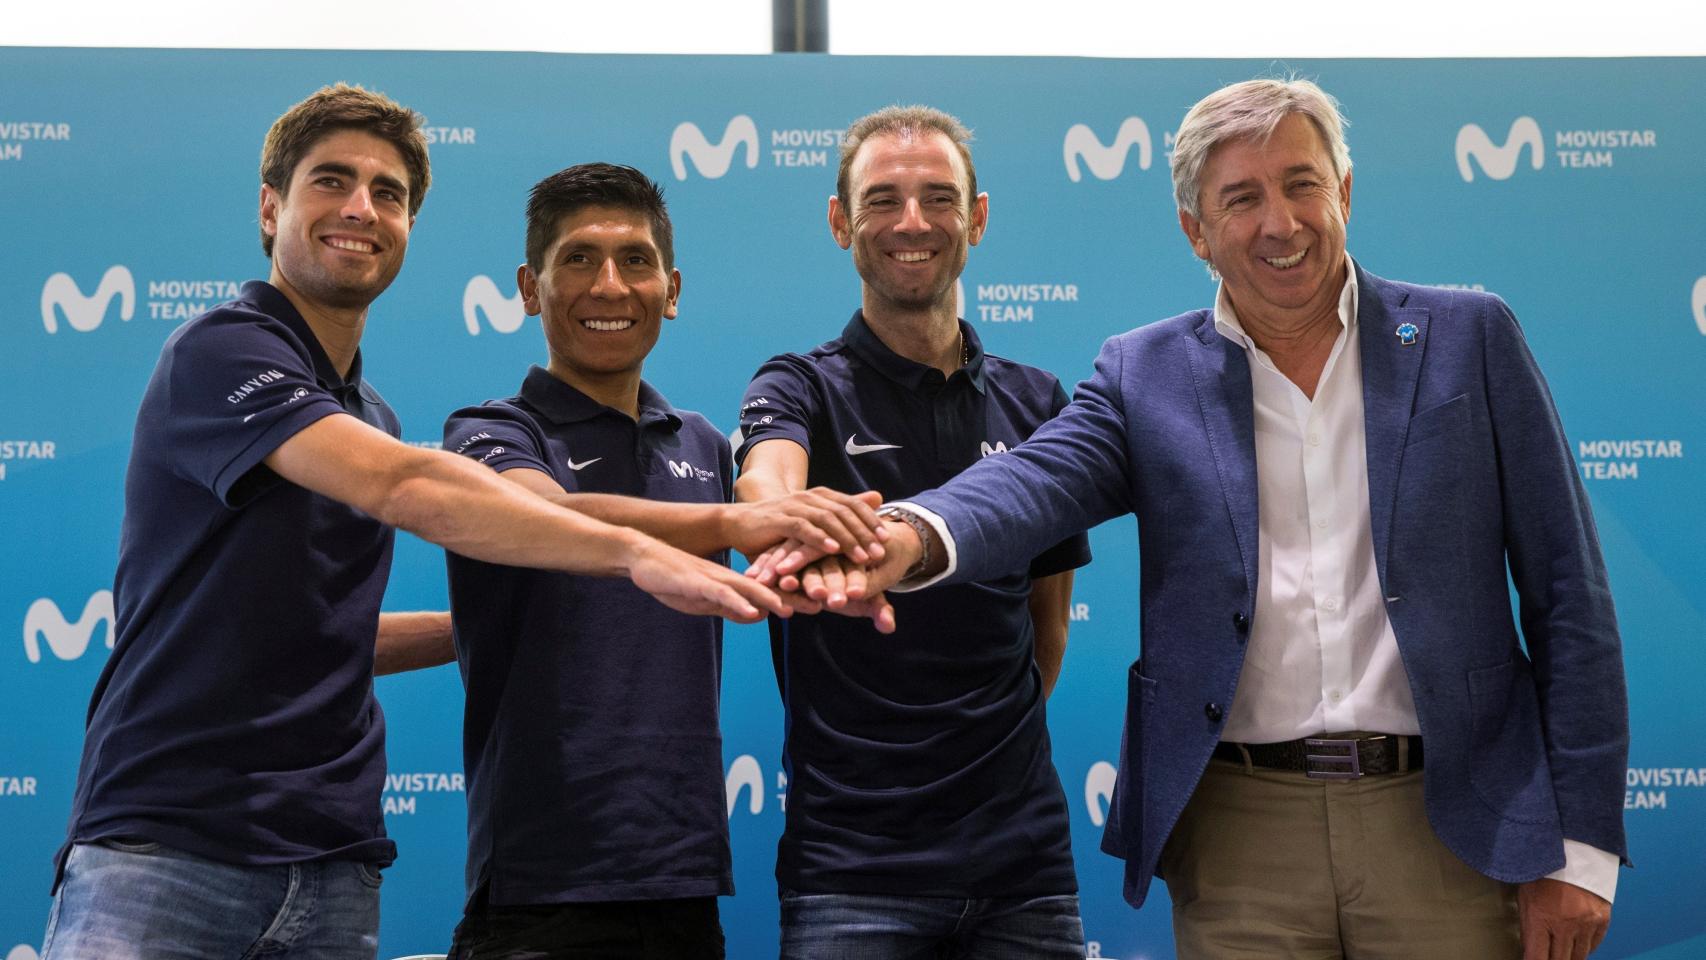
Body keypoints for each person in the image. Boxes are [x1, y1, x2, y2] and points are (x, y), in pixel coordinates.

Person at [835, 78, 1630, 959]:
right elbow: (1032, 481)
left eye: (1300, 184)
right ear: (1196, 232)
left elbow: (1571, 597)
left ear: (1346, 192)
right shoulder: (1144, 373)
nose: (1279, 224)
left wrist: (1585, 848)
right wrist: (903, 536)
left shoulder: (1469, 337)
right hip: (1240, 834)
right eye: (1240, 199)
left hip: (1451, 817)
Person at [42, 85, 804, 960]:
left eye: (389, 193)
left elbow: (328, 638)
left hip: (334, 860)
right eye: (332, 181)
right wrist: (636, 550)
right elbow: (405, 486)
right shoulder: (224, 350)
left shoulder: (369, 409)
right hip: (170, 851)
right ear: (270, 208)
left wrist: (481, 623)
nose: (362, 208)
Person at [439, 163, 887, 959]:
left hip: (685, 879)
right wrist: (734, 519)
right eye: (578, 259)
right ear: (529, 287)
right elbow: (551, 517)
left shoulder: (706, 445)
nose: (609, 285)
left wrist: (837, 561)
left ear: (670, 290)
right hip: (540, 888)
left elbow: (771, 550)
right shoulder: (489, 432)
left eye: (635, 261)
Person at [734, 105, 1092, 959]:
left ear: (977, 217)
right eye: (883, 199)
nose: (912, 224)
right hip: (849, 874)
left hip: (1025, 872)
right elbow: (764, 488)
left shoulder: (1038, 401)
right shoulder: (799, 386)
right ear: (839, 222)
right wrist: (784, 519)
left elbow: (1046, 631)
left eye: (939, 198)